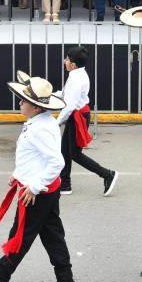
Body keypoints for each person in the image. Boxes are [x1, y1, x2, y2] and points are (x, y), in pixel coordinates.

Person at [0, 74, 77, 282]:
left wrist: (34, 187)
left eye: (23, 100)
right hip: (44, 189)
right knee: (53, 235)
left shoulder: (40, 128)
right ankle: (65, 280)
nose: (19, 103)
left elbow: (56, 162)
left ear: (36, 107)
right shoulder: (41, 122)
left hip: (37, 194)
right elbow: (34, 158)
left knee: (19, 237)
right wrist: (18, 175)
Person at [56, 46, 119, 196]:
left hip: (77, 116)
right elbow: (65, 95)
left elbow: (70, 104)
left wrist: (56, 122)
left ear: (73, 64)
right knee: (65, 150)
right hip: (76, 115)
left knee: (75, 154)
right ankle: (65, 184)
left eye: (67, 59)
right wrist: (48, 94)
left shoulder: (77, 78)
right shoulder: (76, 74)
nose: (65, 61)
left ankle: (107, 174)